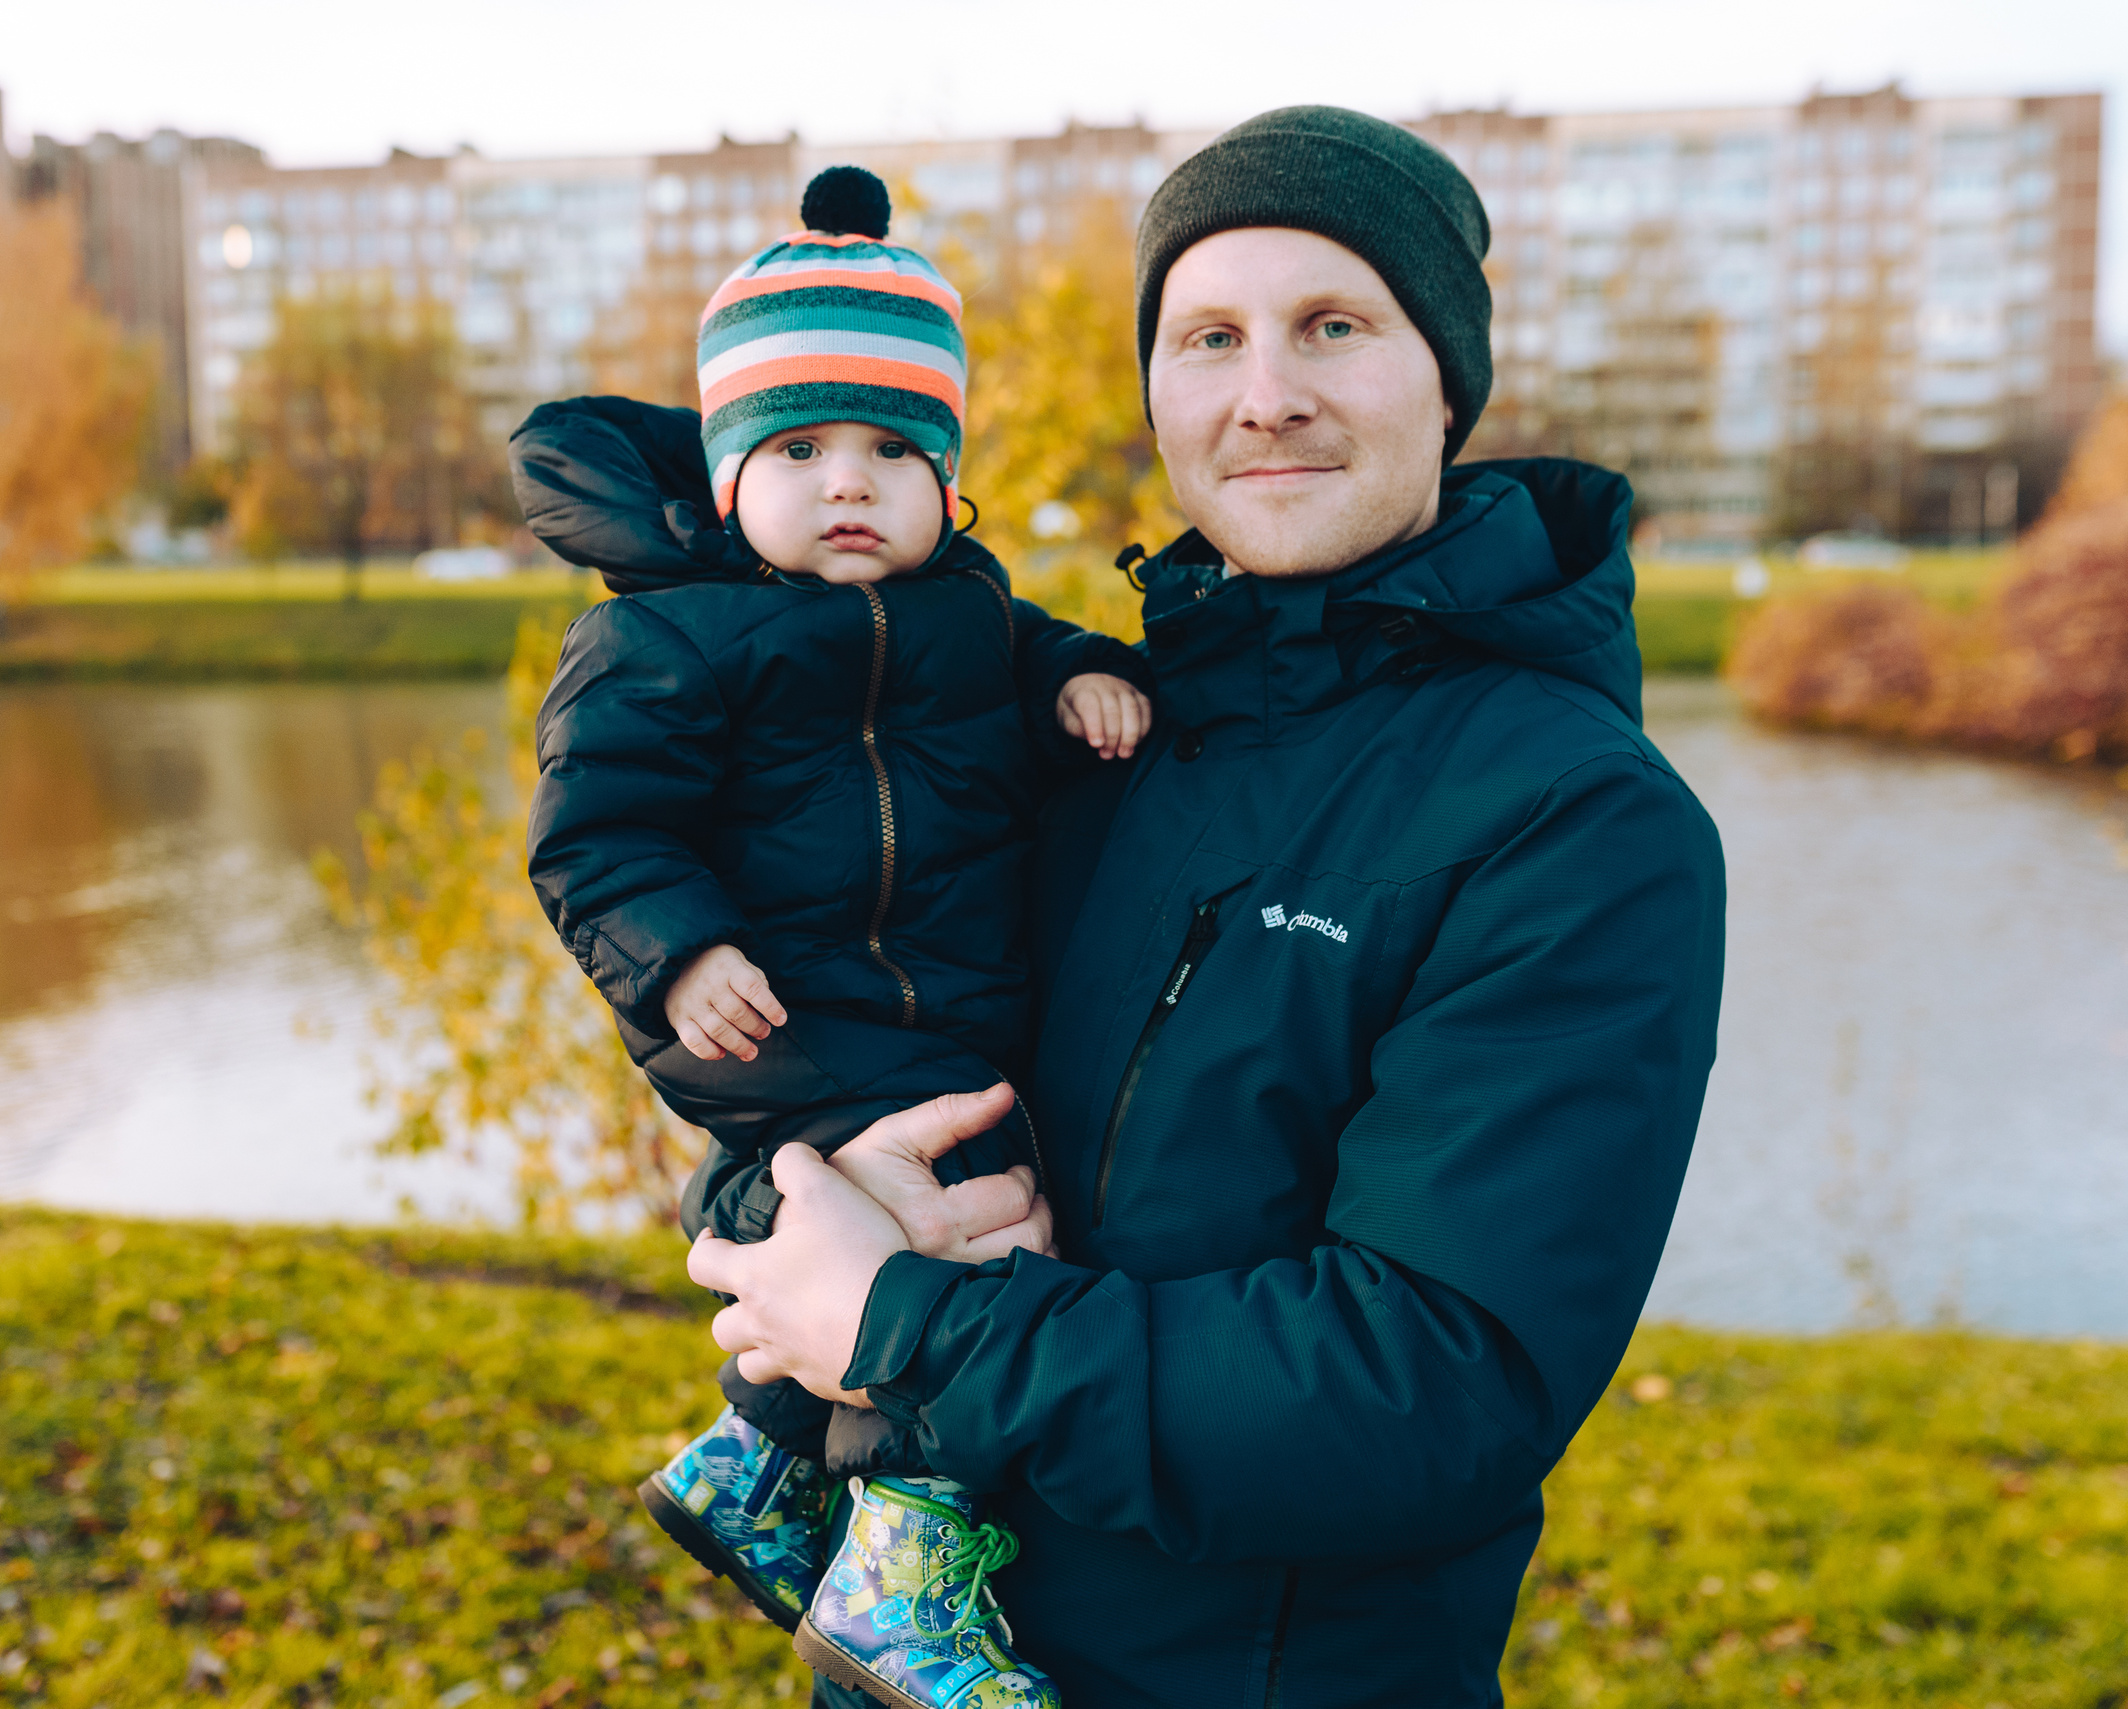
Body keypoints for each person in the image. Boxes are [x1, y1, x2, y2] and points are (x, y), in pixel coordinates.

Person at [691, 106, 1729, 1707]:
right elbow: (850, 1016)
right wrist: (814, 1193)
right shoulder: (1095, 729)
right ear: (1159, 387)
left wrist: (906, 1329)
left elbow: (1431, 1389)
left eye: (1335, 325)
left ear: (1447, 376)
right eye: (1208, 336)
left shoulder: (1573, 817)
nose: (1267, 395)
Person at [516, 167, 1151, 1709]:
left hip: (927, 1018)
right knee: (978, 1242)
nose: (849, 482)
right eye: (799, 448)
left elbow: (1028, 650)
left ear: (951, 481)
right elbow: (596, 827)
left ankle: (753, 1461)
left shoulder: (969, 611)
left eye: (893, 449)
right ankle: (895, 1586)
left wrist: (1079, 678)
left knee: (953, 1206)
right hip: (775, 1019)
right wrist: (679, 948)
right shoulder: (668, 632)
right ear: (732, 478)